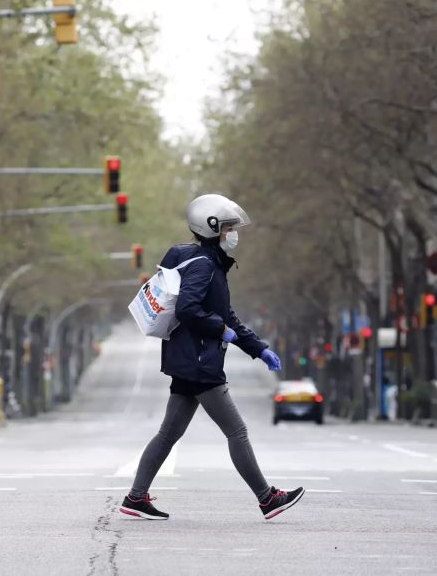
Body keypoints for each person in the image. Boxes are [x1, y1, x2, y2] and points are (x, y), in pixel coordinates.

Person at [119, 194, 305, 521]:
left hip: (189, 359)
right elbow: (189, 309)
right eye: (230, 227)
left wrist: (258, 348)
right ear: (212, 227)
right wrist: (220, 331)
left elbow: (226, 314)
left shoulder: (205, 261)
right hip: (200, 362)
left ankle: (135, 498)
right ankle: (266, 498)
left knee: (168, 434)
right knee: (237, 431)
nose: (234, 234)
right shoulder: (204, 265)